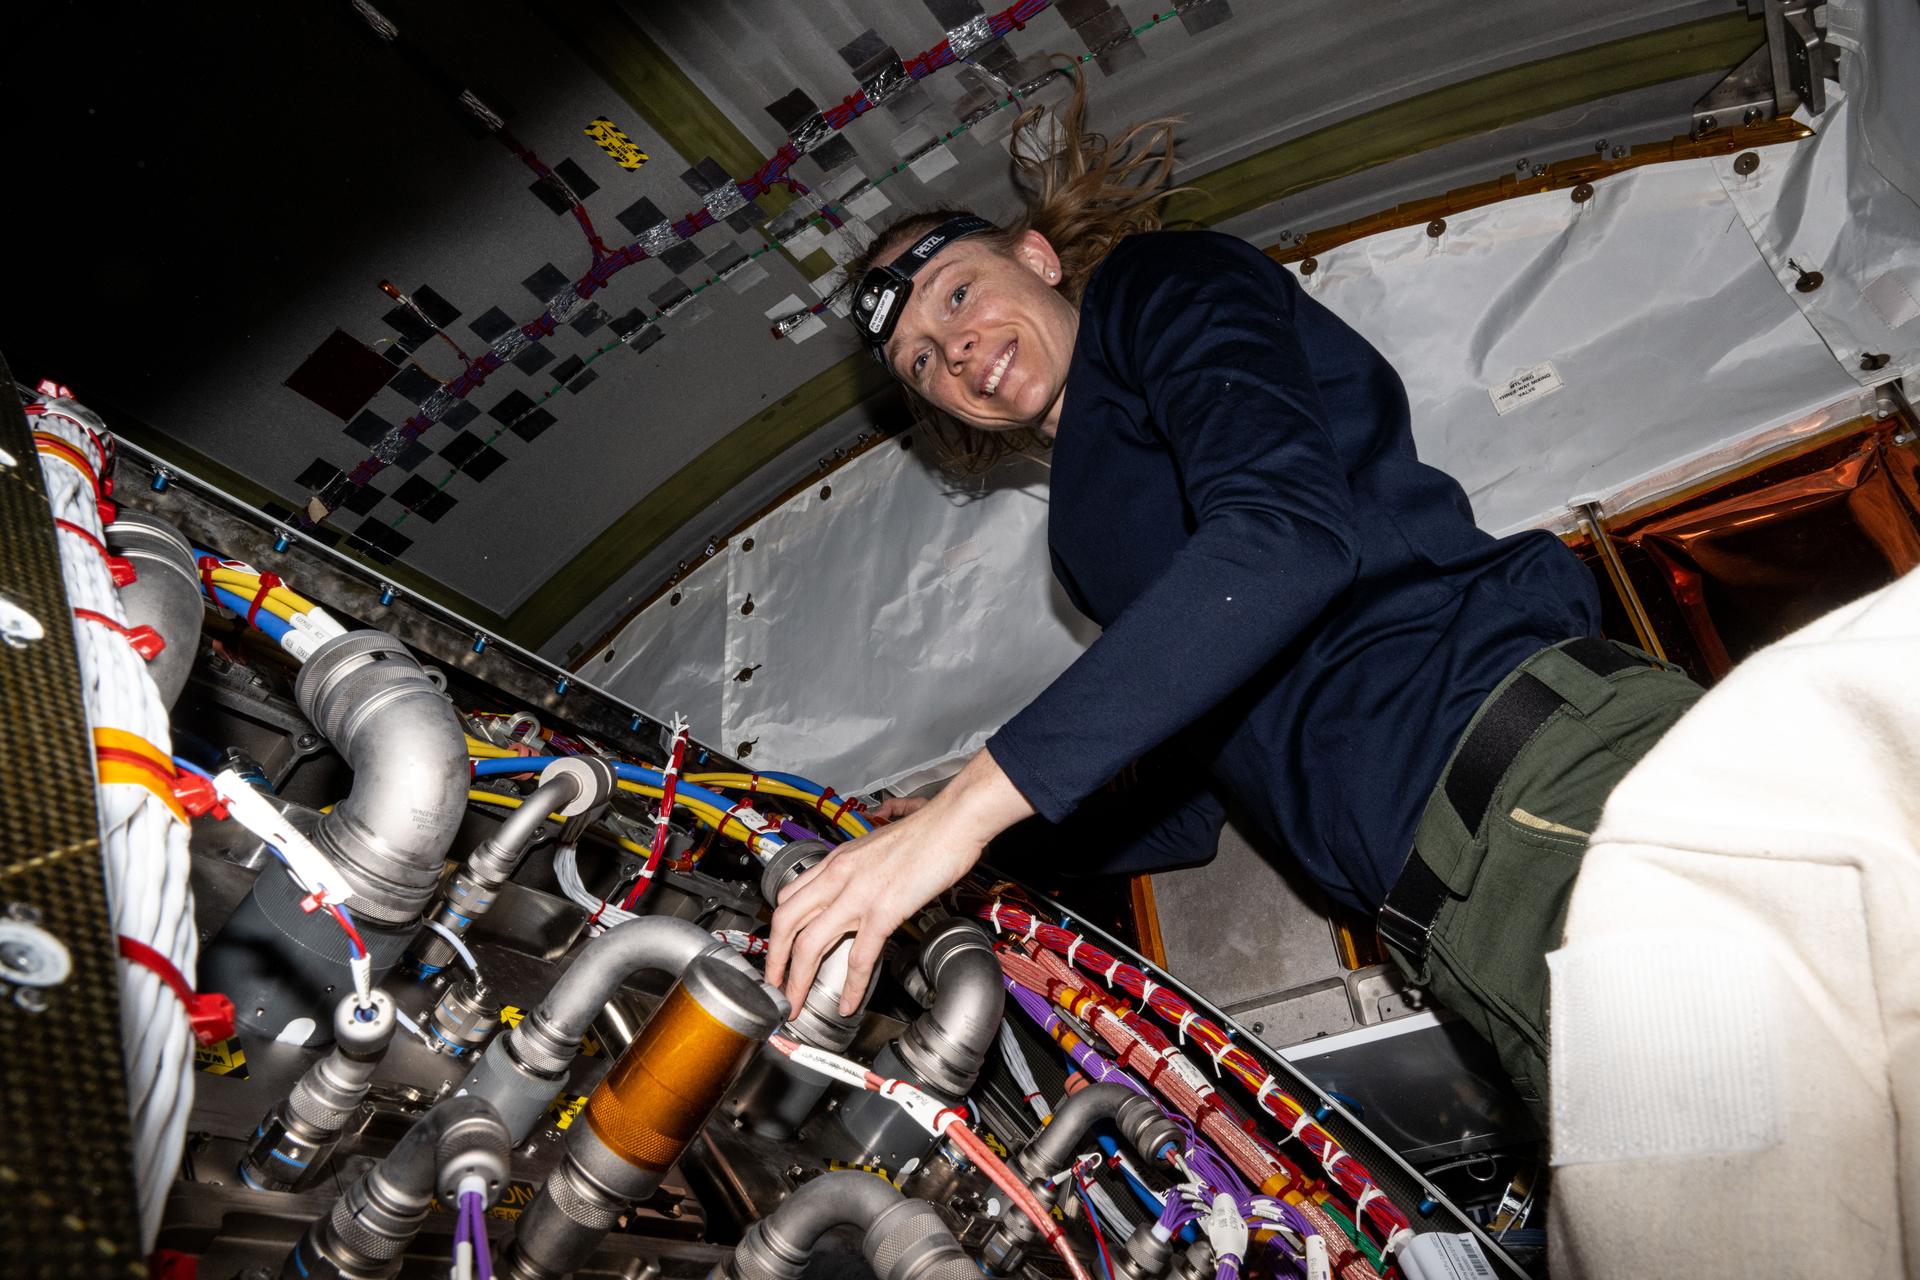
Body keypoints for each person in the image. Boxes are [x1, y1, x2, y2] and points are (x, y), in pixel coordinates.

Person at [764, 71, 1705, 1117]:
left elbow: (1286, 541)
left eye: (958, 293)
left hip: (1529, 776)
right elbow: (1204, 788)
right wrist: (981, 835)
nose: (958, 351)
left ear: (1036, 258)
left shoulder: (1157, 289)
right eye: (924, 360)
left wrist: (962, 816)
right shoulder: (1083, 532)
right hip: (1448, 920)